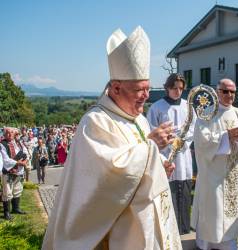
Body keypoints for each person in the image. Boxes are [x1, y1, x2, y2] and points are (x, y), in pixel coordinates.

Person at [42, 26, 182, 249]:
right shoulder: (96, 122)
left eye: (148, 88)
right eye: (140, 90)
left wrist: (160, 164)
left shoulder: (139, 119)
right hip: (121, 232)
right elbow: (106, 178)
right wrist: (151, 148)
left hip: (149, 219)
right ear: (116, 88)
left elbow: (142, 158)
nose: (146, 96)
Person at [192, 78, 238, 250]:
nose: (229, 95)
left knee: (230, 210)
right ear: (217, 91)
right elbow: (202, 141)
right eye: (225, 91)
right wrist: (226, 137)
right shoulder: (207, 114)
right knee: (214, 210)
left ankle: (229, 243)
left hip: (232, 172)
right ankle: (206, 243)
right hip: (213, 174)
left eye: (233, 91)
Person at [147, 73, 195, 235]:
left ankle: (184, 228)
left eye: (181, 88)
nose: (177, 91)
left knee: (185, 190)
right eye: (174, 88)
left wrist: (183, 141)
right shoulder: (157, 107)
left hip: (184, 156)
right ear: (167, 87)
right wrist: (167, 140)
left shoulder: (188, 106)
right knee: (169, 191)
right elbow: (151, 128)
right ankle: (169, 230)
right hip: (165, 155)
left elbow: (193, 128)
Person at [1, 127, 28, 220]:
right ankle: (6, 213)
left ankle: (16, 208)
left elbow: (25, 152)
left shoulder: (17, 143)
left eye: (11, 133)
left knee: (17, 189)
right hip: (8, 171)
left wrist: (25, 160)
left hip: (19, 170)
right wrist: (18, 162)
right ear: (4, 134)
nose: (10, 134)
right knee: (7, 192)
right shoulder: (2, 144)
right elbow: (5, 160)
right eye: (7, 133)